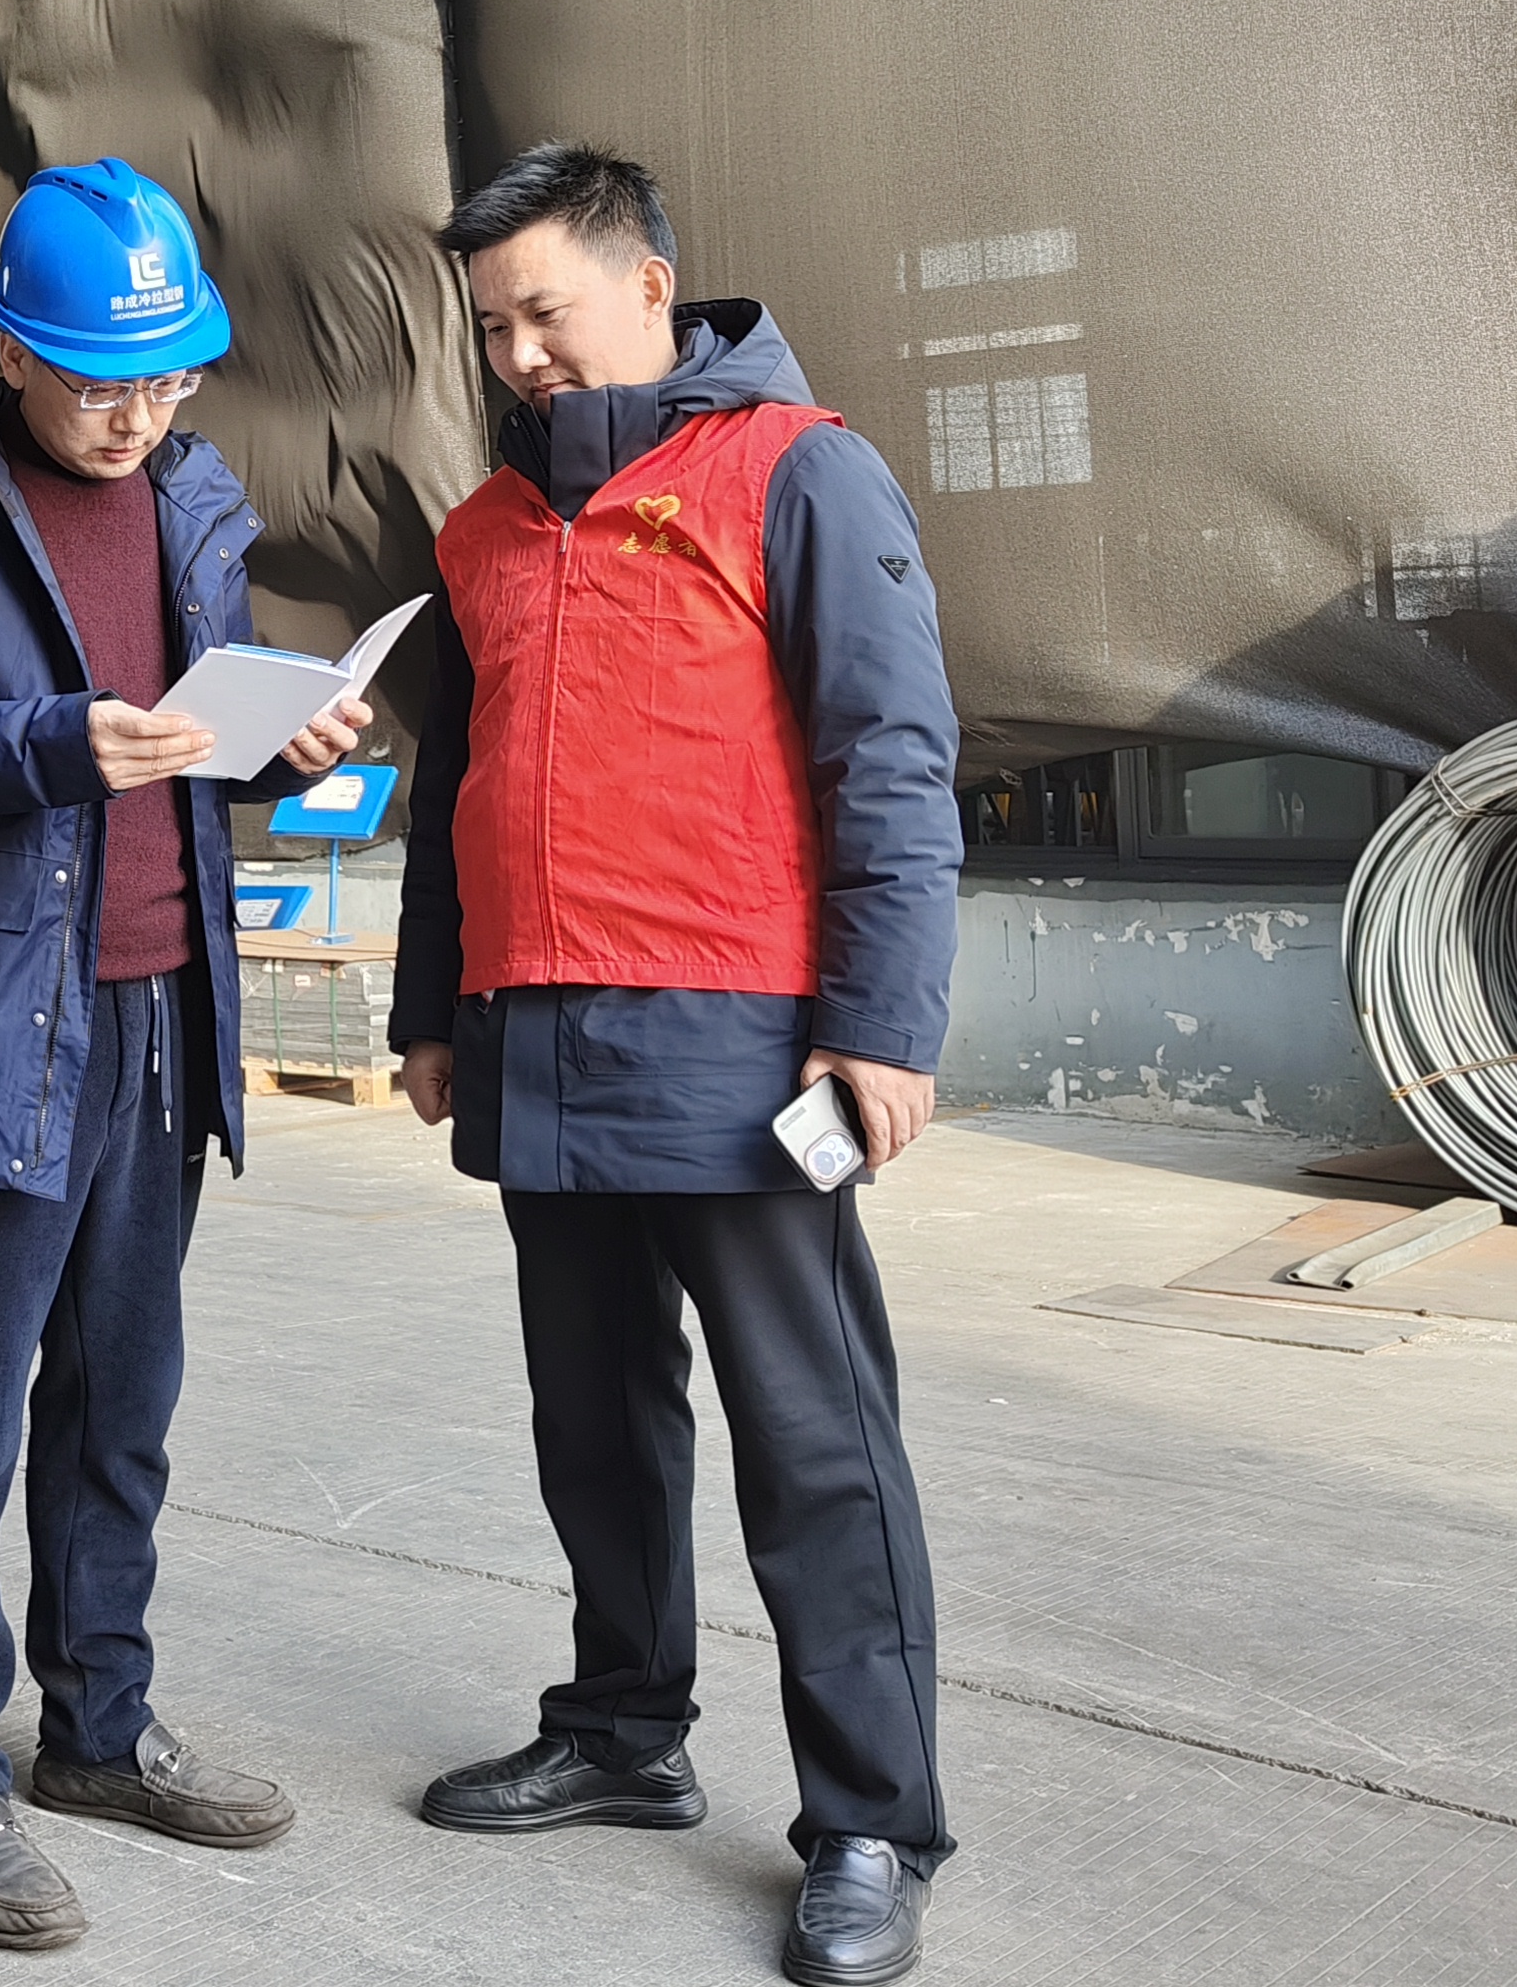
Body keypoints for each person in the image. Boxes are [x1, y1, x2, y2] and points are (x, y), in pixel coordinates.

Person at [391, 144, 962, 1986]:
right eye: (494, 328)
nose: (521, 356)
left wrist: (882, 1022)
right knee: (593, 1417)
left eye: (545, 313)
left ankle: (872, 1820)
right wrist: (431, 1006)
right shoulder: (486, 527)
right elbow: (454, 786)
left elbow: (889, 756)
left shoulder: (800, 470)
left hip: (741, 1043)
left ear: (650, 286)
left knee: (813, 1437)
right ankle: (623, 1729)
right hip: (536, 1037)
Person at [0, 158, 371, 1953]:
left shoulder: (193, 494)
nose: (139, 415)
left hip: (158, 1009)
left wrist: (283, 741)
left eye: (170, 376)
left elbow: (194, 726)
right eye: (103, 380)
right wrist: (51, 738)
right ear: (11, 349)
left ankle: (100, 1731)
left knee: (124, 1402)